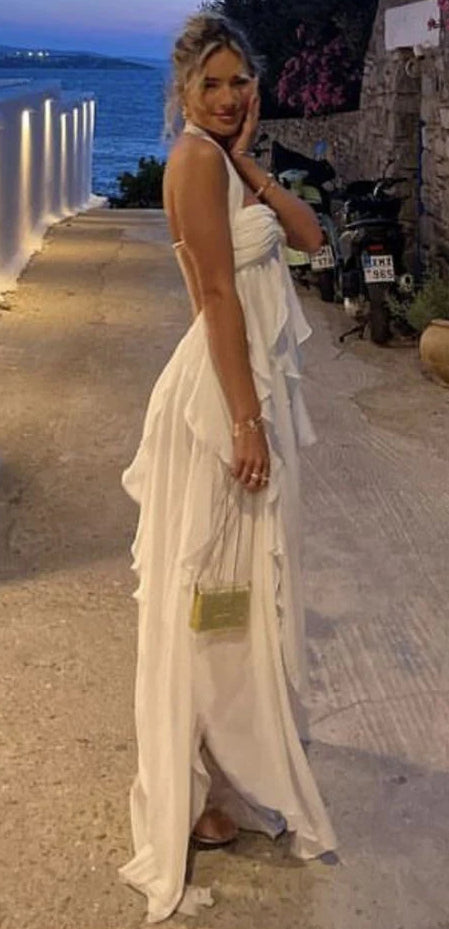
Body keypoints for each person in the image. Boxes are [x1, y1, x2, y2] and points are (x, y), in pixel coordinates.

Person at [118, 11, 337, 924]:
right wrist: (245, 420)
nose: (227, 95)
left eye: (238, 79)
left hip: (232, 388)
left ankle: (214, 780)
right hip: (220, 399)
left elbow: (313, 239)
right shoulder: (192, 162)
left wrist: (250, 160)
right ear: (181, 89)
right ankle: (201, 784)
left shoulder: (218, 160)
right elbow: (213, 292)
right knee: (212, 595)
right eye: (210, 82)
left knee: (223, 594)